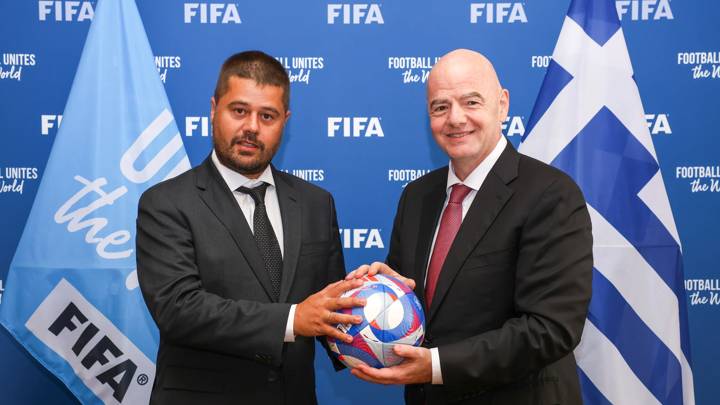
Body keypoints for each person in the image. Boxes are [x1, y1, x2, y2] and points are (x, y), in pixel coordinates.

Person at [348, 49, 593, 404]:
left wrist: (435, 365)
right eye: (440, 107)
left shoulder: (551, 194)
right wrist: (387, 291)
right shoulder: (417, 196)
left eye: (471, 102)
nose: (455, 118)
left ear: (502, 104)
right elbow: (422, 308)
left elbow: (550, 329)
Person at [136, 50, 365, 405]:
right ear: (214, 109)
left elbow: (330, 311)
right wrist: (293, 319)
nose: (252, 127)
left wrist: (380, 320)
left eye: (267, 115)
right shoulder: (166, 203)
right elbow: (179, 310)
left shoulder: (316, 203)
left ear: (285, 121)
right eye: (239, 111)